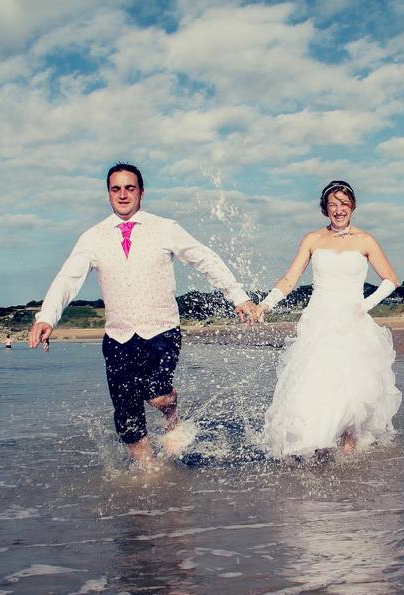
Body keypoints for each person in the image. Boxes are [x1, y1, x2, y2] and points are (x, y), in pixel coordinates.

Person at [28, 163, 259, 464]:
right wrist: (47, 317)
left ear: (141, 192)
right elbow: (68, 279)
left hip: (161, 331)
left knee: (157, 395)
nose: (123, 195)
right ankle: (148, 474)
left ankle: (171, 411)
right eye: (116, 189)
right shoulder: (93, 237)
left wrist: (238, 297)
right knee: (126, 411)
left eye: (129, 188)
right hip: (117, 337)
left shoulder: (165, 228)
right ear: (108, 193)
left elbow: (204, 259)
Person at [255, 180, 402, 458]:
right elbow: (289, 279)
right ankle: (315, 445)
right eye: (333, 204)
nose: (339, 210)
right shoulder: (313, 239)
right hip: (318, 321)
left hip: (352, 322)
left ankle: (347, 451)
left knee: (351, 385)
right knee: (316, 384)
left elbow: (391, 280)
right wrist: (266, 304)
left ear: (353, 207)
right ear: (325, 209)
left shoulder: (365, 240)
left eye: (344, 204)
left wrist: (364, 306)